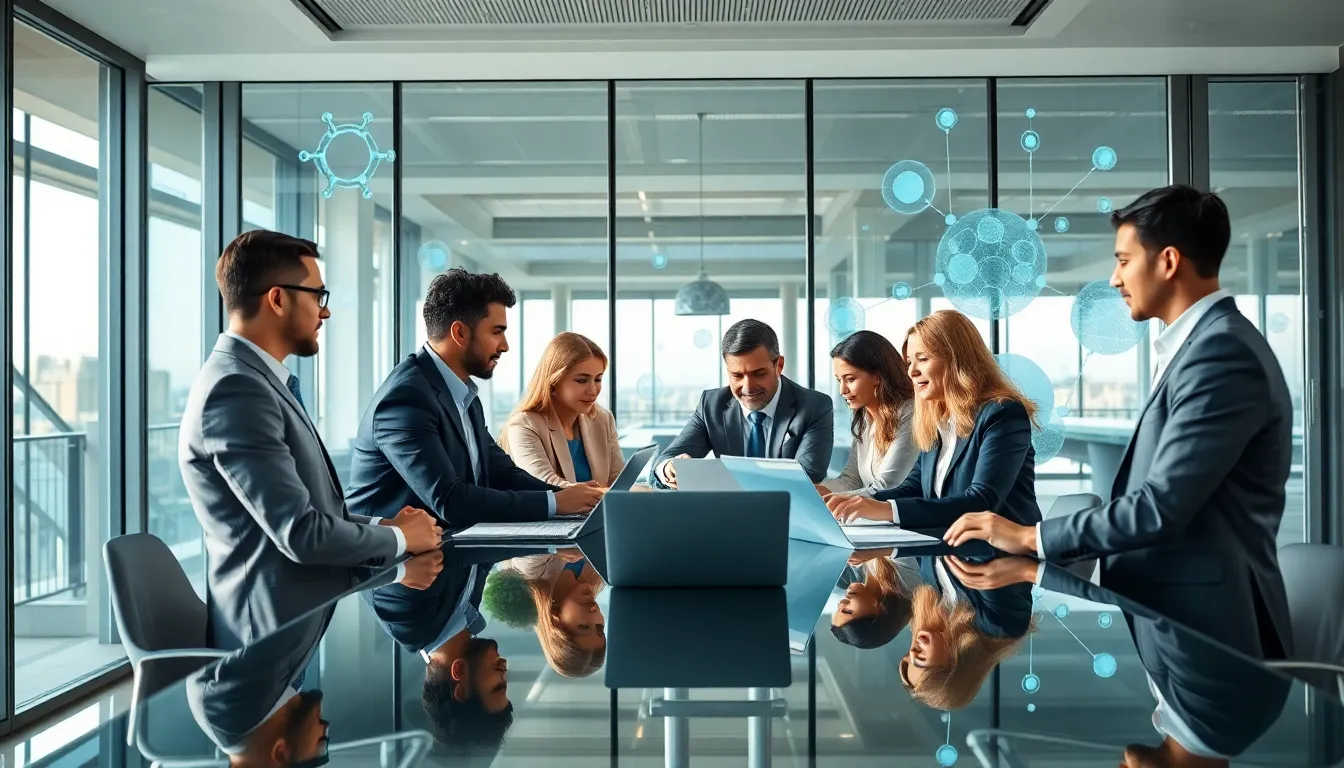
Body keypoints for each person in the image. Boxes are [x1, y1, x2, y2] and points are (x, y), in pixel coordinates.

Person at [942, 185, 1295, 666]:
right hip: (1176, 619)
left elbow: (1158, 508)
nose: (1114, 279)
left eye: (1124, 261)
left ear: (1168, 262)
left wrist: (1027, 537)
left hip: (1212, 635)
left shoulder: (1220, 354)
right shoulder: (1199, 347)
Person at [178, 230, 442, 650]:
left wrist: (387, 527)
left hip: (301, 623)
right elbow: (300, 533)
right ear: (278, 299)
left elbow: (314, 513)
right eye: (318, 295)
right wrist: (401, 539)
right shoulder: (237, 390)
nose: (326, 311)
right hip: (266, 647)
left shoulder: (260, 382)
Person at [345, 269, 605, 529]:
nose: (505, 345)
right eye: (496, 332)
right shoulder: (407, 399)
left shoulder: (462, 393)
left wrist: (571, 497)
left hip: (448, 545)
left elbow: (501, 473)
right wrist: (555, 503)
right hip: (393, 553)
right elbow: (451, 500)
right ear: (460, 333)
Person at [825, 310, 1042, 533]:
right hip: (945, 545)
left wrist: (886, 509)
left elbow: (981, 501)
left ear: (955, 359)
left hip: (1000, 550)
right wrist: (857, 503)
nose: (911, 371)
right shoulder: (938, 421)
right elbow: (913, 487)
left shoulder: (1002, 414)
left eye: (922, 359)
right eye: (909, 362)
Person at [653, 319, 834, 488]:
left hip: (787, 509)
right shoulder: (712, 405)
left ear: (778, 366)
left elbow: (808, 477)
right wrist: (669, 468)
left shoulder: (814, 406)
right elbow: (663, 462)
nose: (748, 387)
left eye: (759, 374)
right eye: (737, 376)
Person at [500, 332, 623, 487]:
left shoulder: (603, 419)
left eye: (598, 379)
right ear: (553, 381)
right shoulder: (524, 425)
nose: (593, 390)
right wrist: (603, 493)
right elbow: (546, 485)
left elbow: (619, 482)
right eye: (582, 380)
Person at [817, 330, 919, 497]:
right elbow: (851, 479)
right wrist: (819, 491)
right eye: (839, 380)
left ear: (878, 376)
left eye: (850, 379)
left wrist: (831, 499)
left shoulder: (909, 413)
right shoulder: (863, 417)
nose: (842, 390)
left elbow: (887, 486)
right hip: (872, 511)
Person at [483, 552, 607, 678]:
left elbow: (538, 544)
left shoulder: (530, 574)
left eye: (583, 626)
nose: (594, 613)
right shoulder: (600, 577)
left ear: (556, 623)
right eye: (599, 628)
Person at [830, 549, 917, 649]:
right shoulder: (907, 586)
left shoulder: (858, 569)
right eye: (848, 611)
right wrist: (872, 552)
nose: (841, 603)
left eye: (838, 609)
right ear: (878, 614)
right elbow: (909, 547)